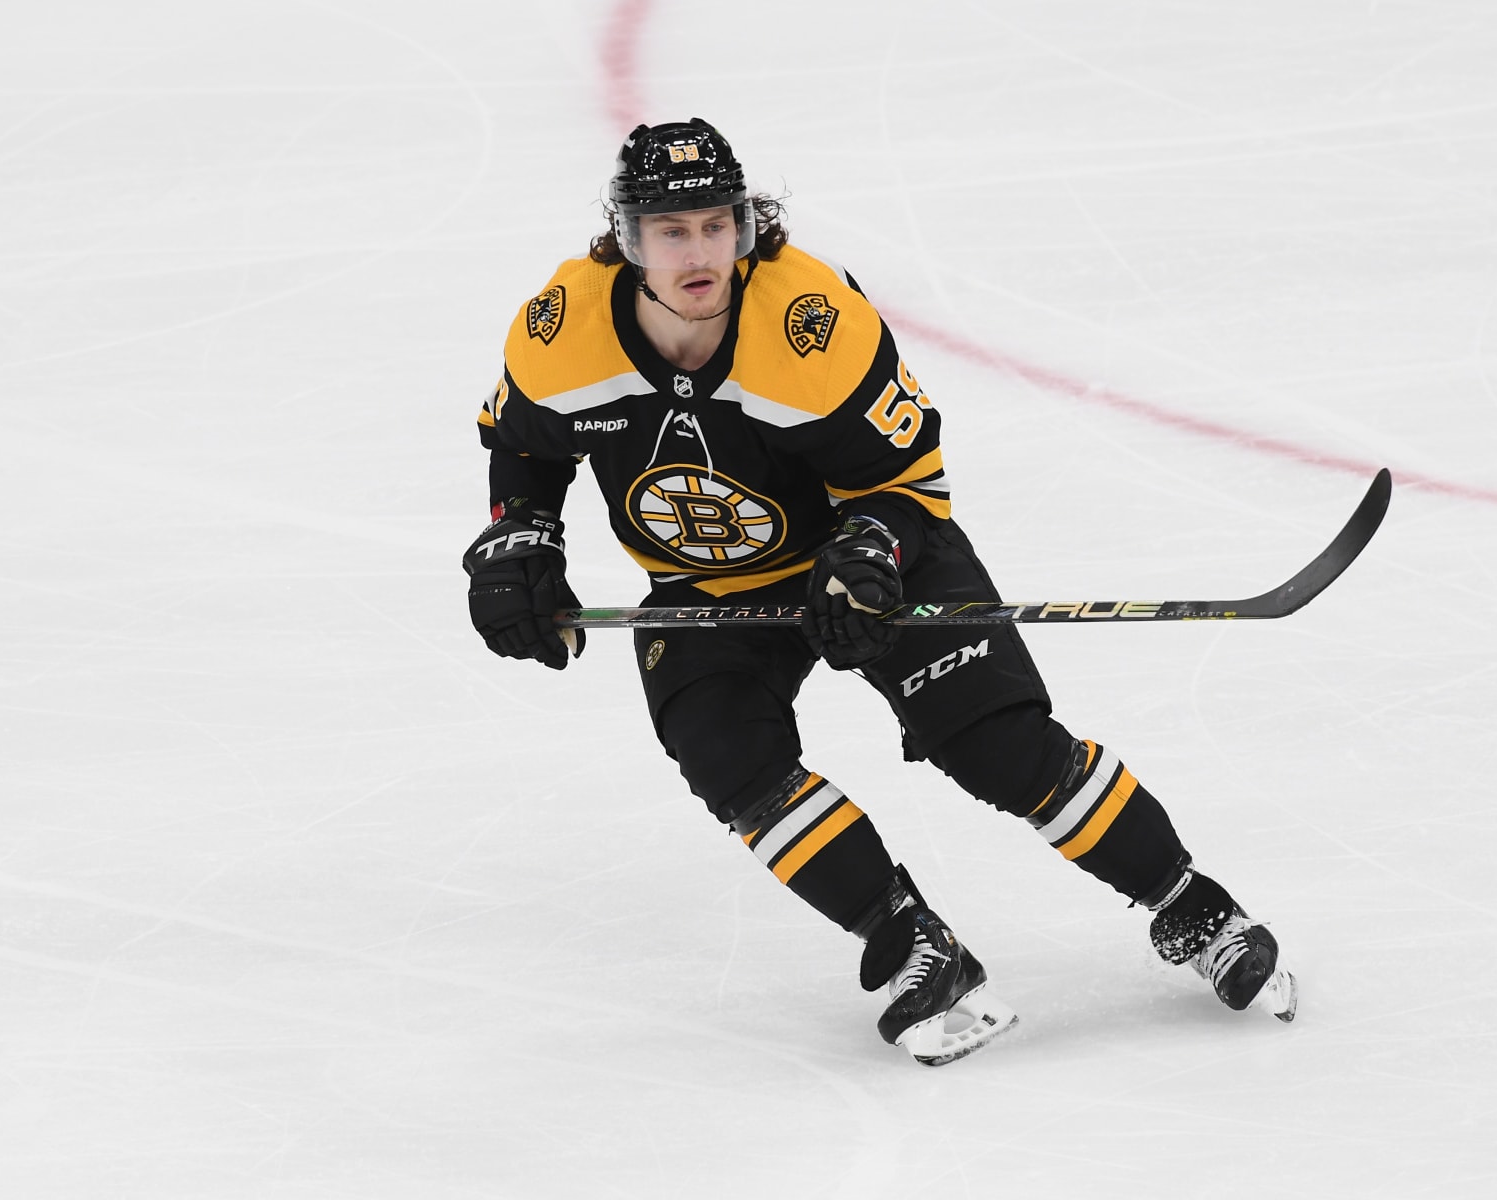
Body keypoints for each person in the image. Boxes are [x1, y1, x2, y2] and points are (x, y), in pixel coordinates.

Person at [464, 118, 1296, 1066]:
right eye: (671, 230)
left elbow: (908, 483)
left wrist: (868, 553)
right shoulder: (560, 332)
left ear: (745, 223)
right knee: (730, 756)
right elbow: (522, 443)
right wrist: (519, 536)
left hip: (865, 560)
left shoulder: (811, 323)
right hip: (704, 585)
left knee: (997, 745)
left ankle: (1191, 905)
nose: (700, 252)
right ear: (627, 239)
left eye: (716, 224)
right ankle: (913, 944)